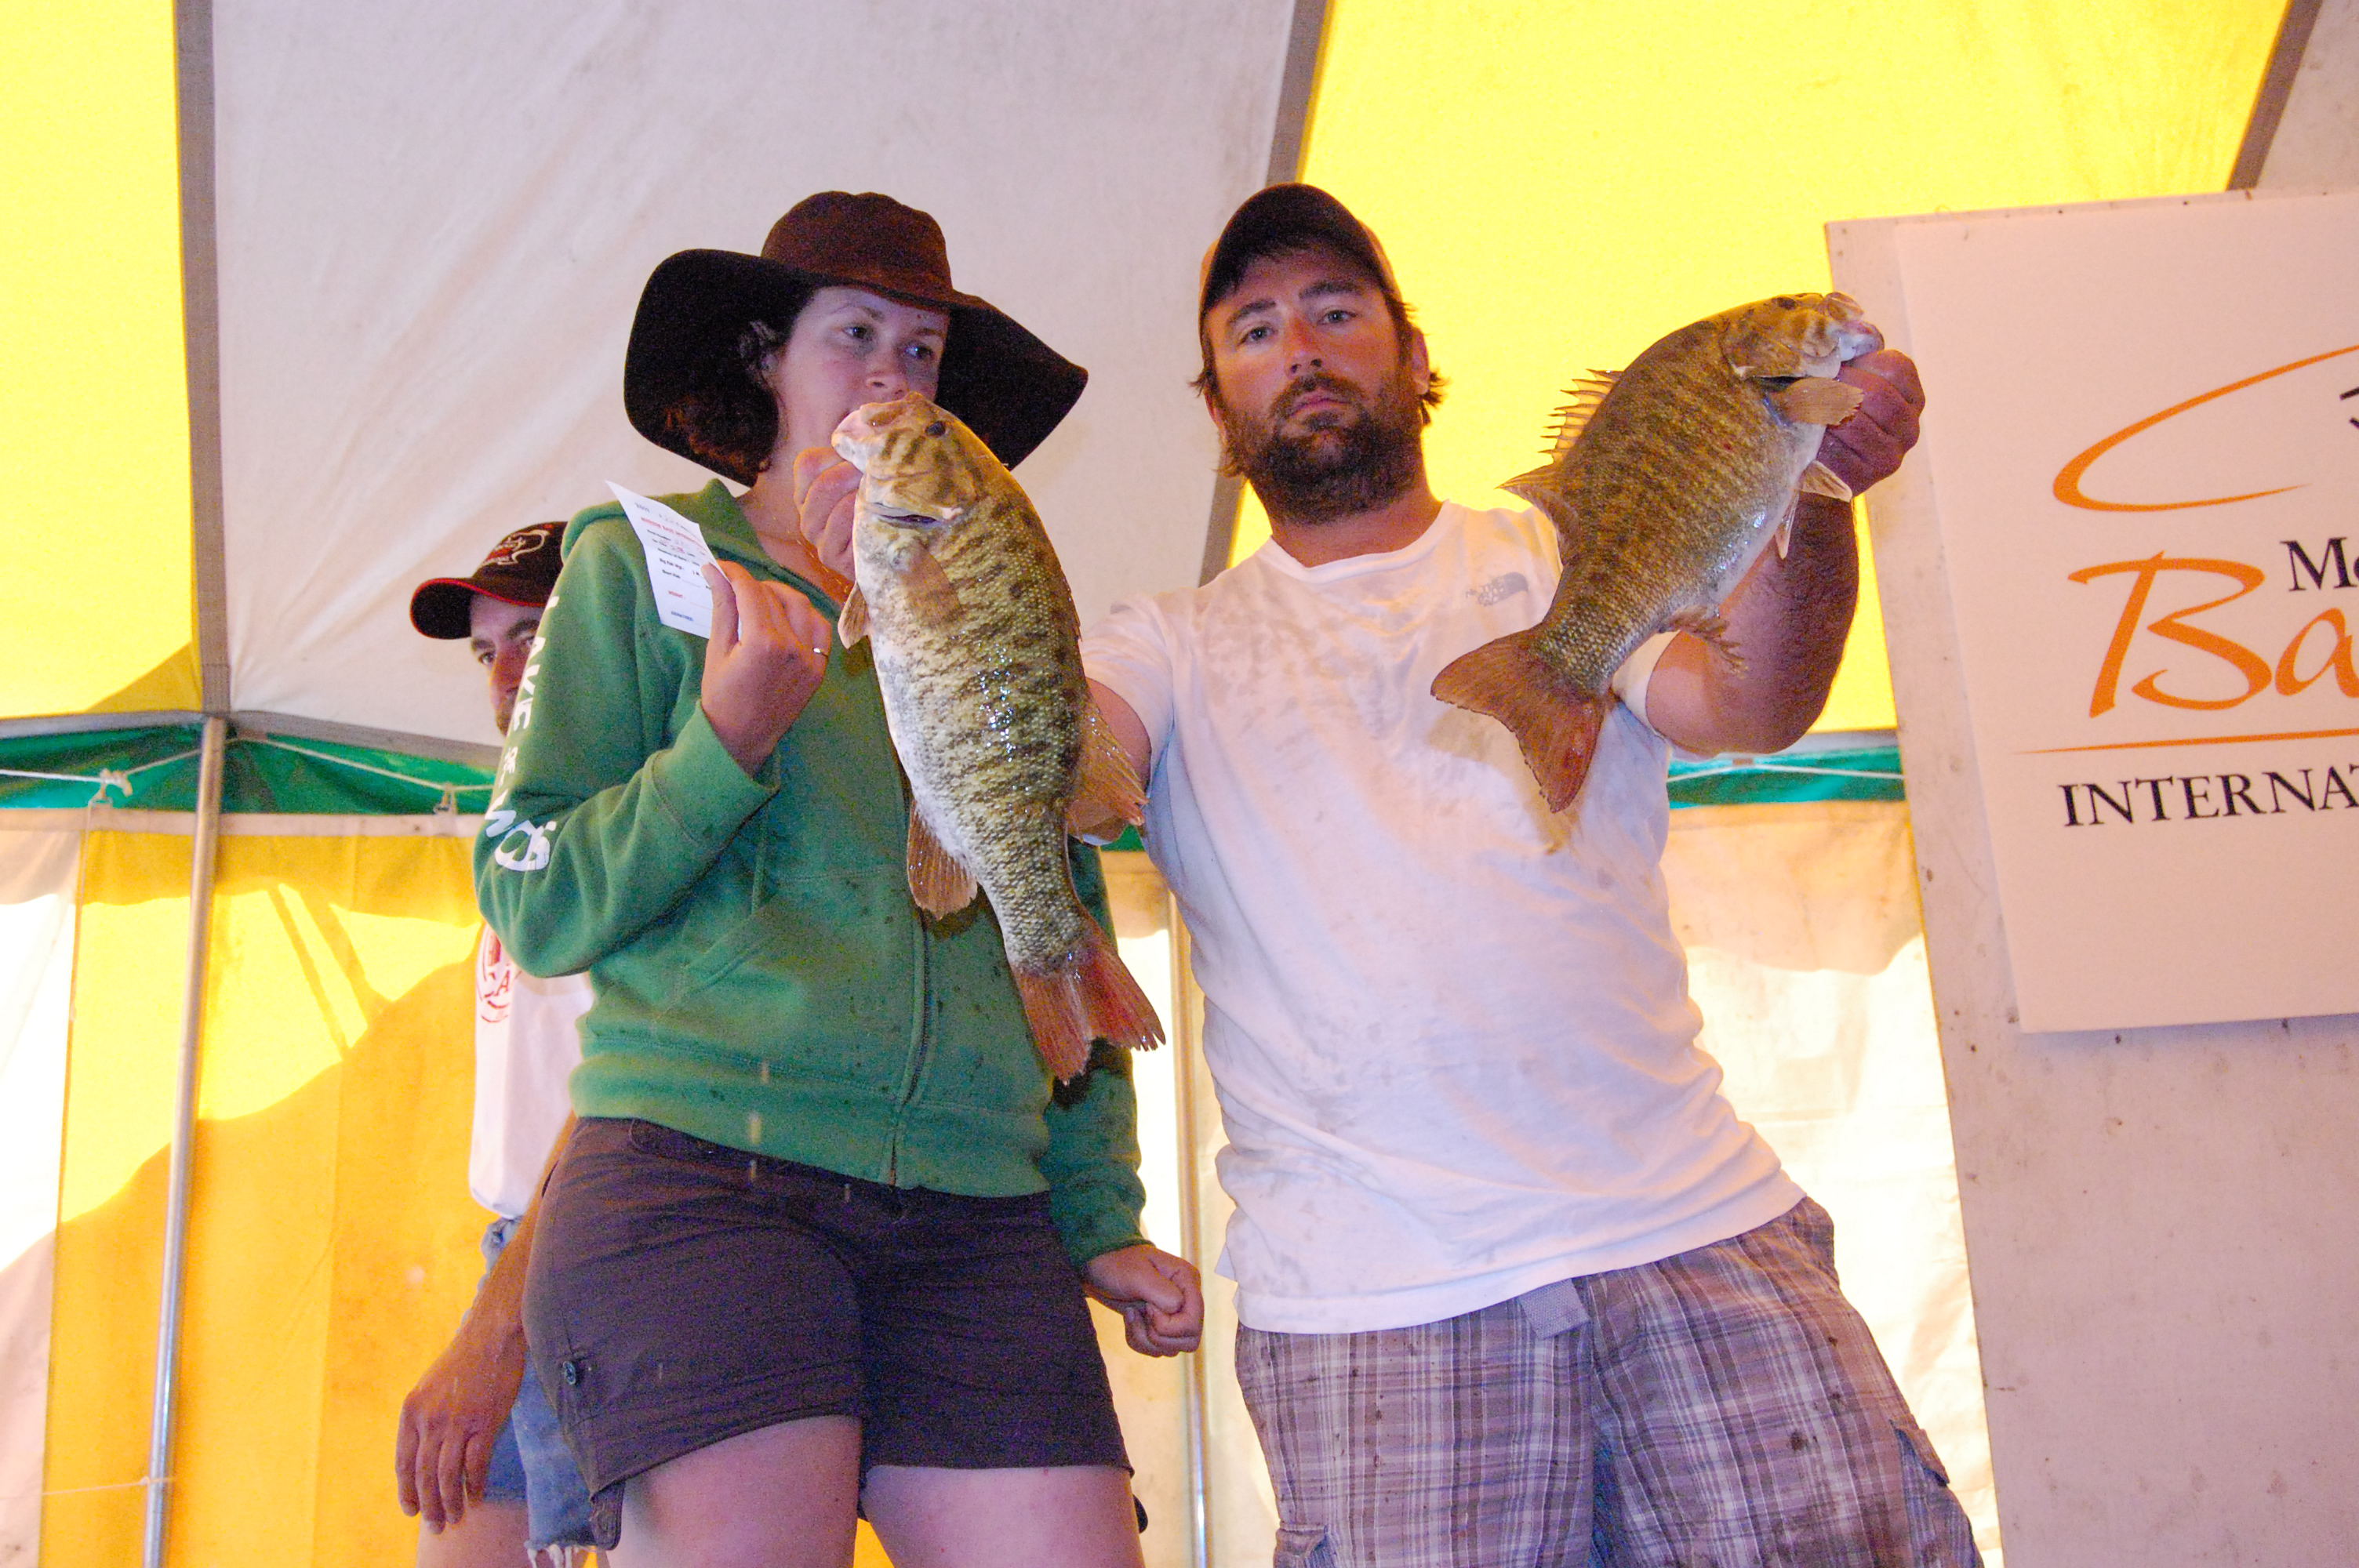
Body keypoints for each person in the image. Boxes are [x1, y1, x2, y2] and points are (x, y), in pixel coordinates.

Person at [1078, 183, 1977, 1565]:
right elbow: (1069, 777)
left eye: (1336, 309)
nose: (1300, 347)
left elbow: (1750, 706)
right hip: (1374, 1298)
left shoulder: (1566, 553)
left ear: (1415, 353)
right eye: (1254, 330)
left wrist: (1824, 484)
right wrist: (935, 615)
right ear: (1218, 409)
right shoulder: (1163, 639)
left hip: (1695, 1224)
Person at [475, 191, 1203, 1568]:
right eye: (853, 334)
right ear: (766, 358)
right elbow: (535, 899)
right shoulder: (636, 563)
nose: (889, 375)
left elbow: (1053, 891)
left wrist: (1100, 1216)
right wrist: (724, 742)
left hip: (978, 1211)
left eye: (921, 351)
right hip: (706, 1183)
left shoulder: (980, 578)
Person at [397, 521, 598, 1566]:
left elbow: (636, 1084)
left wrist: (499, 1322)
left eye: (535, 635)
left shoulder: (643, 818)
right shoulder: (527, 823)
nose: (506, 674)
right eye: (487, 651)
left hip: (602, 1248)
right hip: (522, 1245)